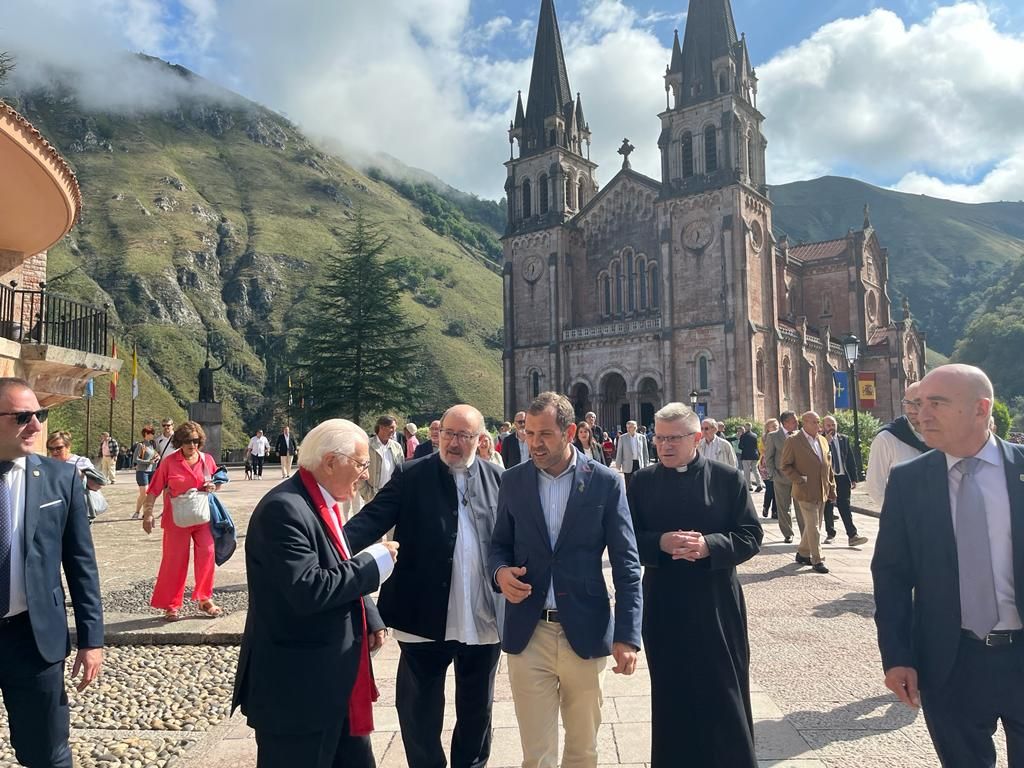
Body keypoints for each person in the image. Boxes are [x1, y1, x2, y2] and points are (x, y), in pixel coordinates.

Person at [872, 364, 1024, 767]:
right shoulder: (909, 482)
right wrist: (897, 654)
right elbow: (891, 575)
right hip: (950, 664)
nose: (922, 415)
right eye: (920, 404)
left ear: (980, 408)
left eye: (936, 403)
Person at [232, 418, 398, 768]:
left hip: (334, 685)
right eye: (361, 464)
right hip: (298, 693)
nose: (366, 474)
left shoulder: (318, 501)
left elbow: (335, 560)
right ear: (330, 462)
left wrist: (370, 612)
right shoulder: (284, 510)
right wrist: (373, 565)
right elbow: (308, 588)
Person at [345, 405, 504, 768]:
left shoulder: (499, 479)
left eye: (464, 435)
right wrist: (325, 545)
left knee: (478, 711)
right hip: (423, 615)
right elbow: (368, 522)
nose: (454, 442)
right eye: (448, 433)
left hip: (483, 617)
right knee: (419, 713)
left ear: (480, 440)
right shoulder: (410, 475)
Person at [490, 392, 642, 768]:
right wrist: (499, 573)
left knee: (583, 750)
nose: (534, 443)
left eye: (545, 434)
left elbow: (626, 563)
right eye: (529, 433)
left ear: (570, 431)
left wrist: (627, 636)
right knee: (536, 754)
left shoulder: (605, 483)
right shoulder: (513, 482)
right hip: (530, 634)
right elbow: (497, 546)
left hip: (586, 633)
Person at [627, 403, 762, 767]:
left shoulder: (727, 479)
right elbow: (625, 541)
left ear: (697, 437)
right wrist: (660, 543)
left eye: (674, 438)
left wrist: (709, 546)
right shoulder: (641, 483)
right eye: (659, 438)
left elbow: (750, 536)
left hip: (716, 603)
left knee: (724, 690)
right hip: (664, 604)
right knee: (672, 694)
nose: (665, 446)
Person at [0, 378, 103, 767]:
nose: (37, 426)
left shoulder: (60, 480)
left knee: (47, 754)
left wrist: (91, 640)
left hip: (33, 639)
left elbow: (81, 565)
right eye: (23, 416)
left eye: (39, 415)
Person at [142, 421, 224, 621]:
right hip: (176, 520)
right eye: (187, 440)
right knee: (174, 561)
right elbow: (153, 489)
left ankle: (205, 598)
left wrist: (214, 486)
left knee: (207, 553)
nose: (192, 444)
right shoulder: (169, 462)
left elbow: (217, 482)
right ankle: (171, 605)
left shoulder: (207, 460)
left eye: (196, 440)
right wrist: (148, 513)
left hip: (202, 517)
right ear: (180, 441)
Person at [781, 412, 837, 574]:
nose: (818, 425)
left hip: (822, 490)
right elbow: (785, 465)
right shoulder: (793, 441)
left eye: (818, 422)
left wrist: (832, 488)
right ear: (804, 423)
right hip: (804, 490)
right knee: (814, 526)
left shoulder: (823, 441)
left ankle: (803, 553)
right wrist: (799, 479)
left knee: (813, 526)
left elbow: (828, 466)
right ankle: (817, 559)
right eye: (814, 422)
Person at [867, 381, 927, 505]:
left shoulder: (943, 435)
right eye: (907, 403)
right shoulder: (887, 438)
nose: (911, 409)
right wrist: (900, 513)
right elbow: (875, 487)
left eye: (918, 403)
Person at [821, 415, 868, 547]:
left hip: (842, 477)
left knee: (845, 506)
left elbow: (850, 459)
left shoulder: (844, 439)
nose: (831, 428)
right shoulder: (821, 440)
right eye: (828, 425)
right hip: (829, 478)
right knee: (828, 506)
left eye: (833, 425)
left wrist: (854, 478)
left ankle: (852, 535)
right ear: (823, 427)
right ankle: (830, 534)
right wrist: (826, 442)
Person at [764, 412, 800, 543]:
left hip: (798, 478)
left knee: (801, 507)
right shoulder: (774, 436)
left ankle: (804, 533)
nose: (797, 423)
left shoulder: (800, 435)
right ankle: (787, 533)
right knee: (783, 507)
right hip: (781, 477)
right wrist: (773, 474)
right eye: (794, 421)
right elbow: (769, 457)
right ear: (785, 423)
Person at [360, 415, 404, 503]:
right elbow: (360, 470)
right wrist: (366, 493)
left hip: (393, 494)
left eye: (394, 428)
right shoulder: (367, 445)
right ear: (382, 427)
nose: (394, 431)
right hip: (373, 496)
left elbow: (402, 470)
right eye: (391, 427)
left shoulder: (397, 447)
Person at [132, 425, 159, 520]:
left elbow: (155, 455)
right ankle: (137, 512)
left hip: (152, 471)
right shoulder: (141, 445)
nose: (153, 435)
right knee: (144, 493)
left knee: (149, 493)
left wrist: (157, 458)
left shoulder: (152, 445)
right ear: (146, 434)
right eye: (152, 433)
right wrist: (148, 462)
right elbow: (135, 459)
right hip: (142, 471)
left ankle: (146, 513)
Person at [614, 419, 650, 489]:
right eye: (628, 427)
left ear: (635, 427)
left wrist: (646, 464)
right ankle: (629, 498)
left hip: (639, 463)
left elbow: (645, 452)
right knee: (629, 484)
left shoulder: (642, 437)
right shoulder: (622, 438)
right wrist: (618, 464)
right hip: (628, 464)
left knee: (640, 483)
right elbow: (619, 452)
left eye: (632, 427)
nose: (630, 428)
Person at [759, 419, 779, 518]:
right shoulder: (764, 438)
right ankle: (766, 507)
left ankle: (775, 511)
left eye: (777, 426)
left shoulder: (780, 437)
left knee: (777, 489)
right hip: (765, 466)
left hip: (777, 465)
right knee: (770, 488)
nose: (776, 428)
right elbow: (764, 451)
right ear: (768, 428)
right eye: (773, 426)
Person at [738, 422, 763, 492]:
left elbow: (740, 446)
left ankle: (749, 486)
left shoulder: (743, 436)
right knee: (755, 470)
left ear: (745, 428)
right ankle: (759, 484)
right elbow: (756, 445)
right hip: (754, 455)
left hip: (746, 455)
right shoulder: (755, 435)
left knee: (746, 472)